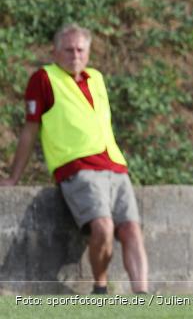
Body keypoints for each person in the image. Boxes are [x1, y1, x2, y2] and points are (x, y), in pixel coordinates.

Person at [1, 24, 149, 293]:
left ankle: (142, 296)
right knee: (103, 226)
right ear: (55, 52)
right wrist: (14, 177)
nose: (75, 55)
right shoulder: (44, 79)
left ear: (89, 53)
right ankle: (100, 288)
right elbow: (30, 129)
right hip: (78, 168)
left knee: (132, 230)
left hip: (115, 166)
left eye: (80, 49)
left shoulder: (97, 78)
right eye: (68, 49)